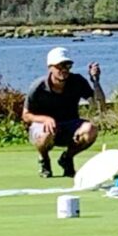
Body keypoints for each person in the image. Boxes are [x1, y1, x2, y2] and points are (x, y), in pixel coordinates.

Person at [21, 47, 105, 178]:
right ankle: (44, 160)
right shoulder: (38, 87)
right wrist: (45, 119)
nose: (64, 69)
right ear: (50, 67)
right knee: (47, 133)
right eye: (60, 66)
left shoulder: (77, 81)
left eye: (68, 65)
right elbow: (25, 115)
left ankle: (67, 158)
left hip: (70, 126)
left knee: (91, 129)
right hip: (43, 128)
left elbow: (99, 105)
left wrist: (95, 81)